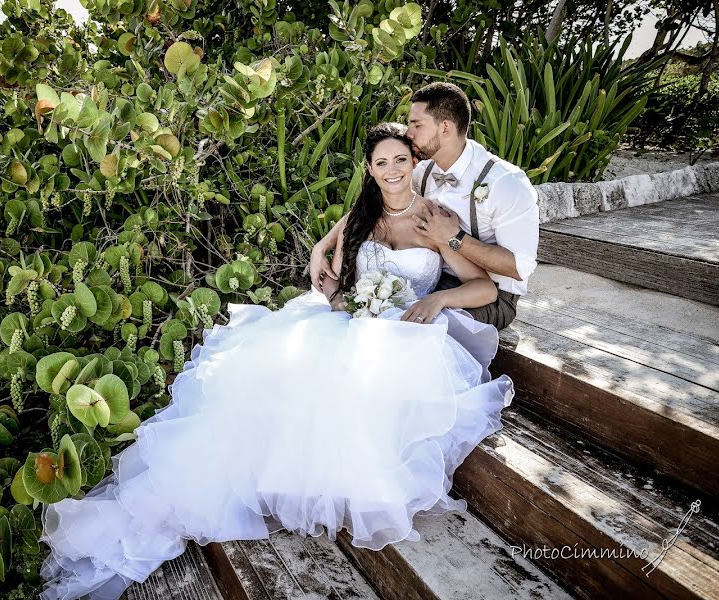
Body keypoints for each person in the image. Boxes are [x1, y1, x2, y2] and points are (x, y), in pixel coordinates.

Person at [38, 123, 515, 600]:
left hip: (404, 331)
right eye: (381, 162)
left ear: (416, 163)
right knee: (275, 379)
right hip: (349, 320)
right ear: (369, 170)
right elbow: (333, 273)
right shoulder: (363, 213)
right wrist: (332, 291)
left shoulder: (434, 217)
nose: (391, 171)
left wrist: (439, 301)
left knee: (353, 385)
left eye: (400, 160)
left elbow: (485, 287)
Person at [311, 82, 540, 330]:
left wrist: (455, 238)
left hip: (493, 294)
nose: (408, 133)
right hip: (436, 278)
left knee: (428, 331)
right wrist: (323, 245)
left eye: (416, 125)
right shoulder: (422, 169)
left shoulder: (506, 184)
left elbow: (518, 268)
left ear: (445, 128)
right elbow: (377, 202)